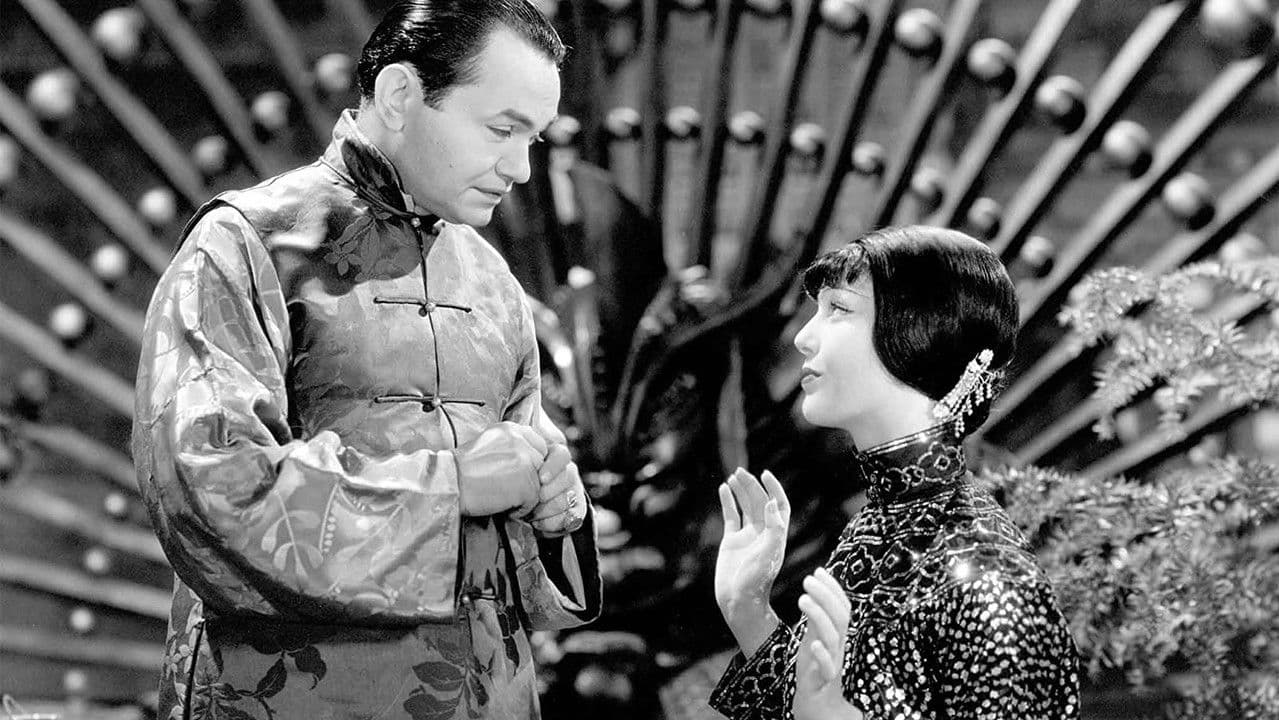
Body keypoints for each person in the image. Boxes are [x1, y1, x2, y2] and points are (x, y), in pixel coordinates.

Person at [131, 2, 600, 719]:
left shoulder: (492, 281)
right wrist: (452, 487)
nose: (521, 168)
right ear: (400, 94)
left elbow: (519, 576)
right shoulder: (246, 245)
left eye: (533, 138)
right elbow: (211, 490)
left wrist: (554, 507)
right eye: (502, 130)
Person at [709, 226, 1080, 719]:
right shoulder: (878, 524)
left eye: (839, 309)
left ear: (924, 332)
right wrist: (748, 610)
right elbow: (809, 702)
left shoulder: (986, 579)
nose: (803, 337)